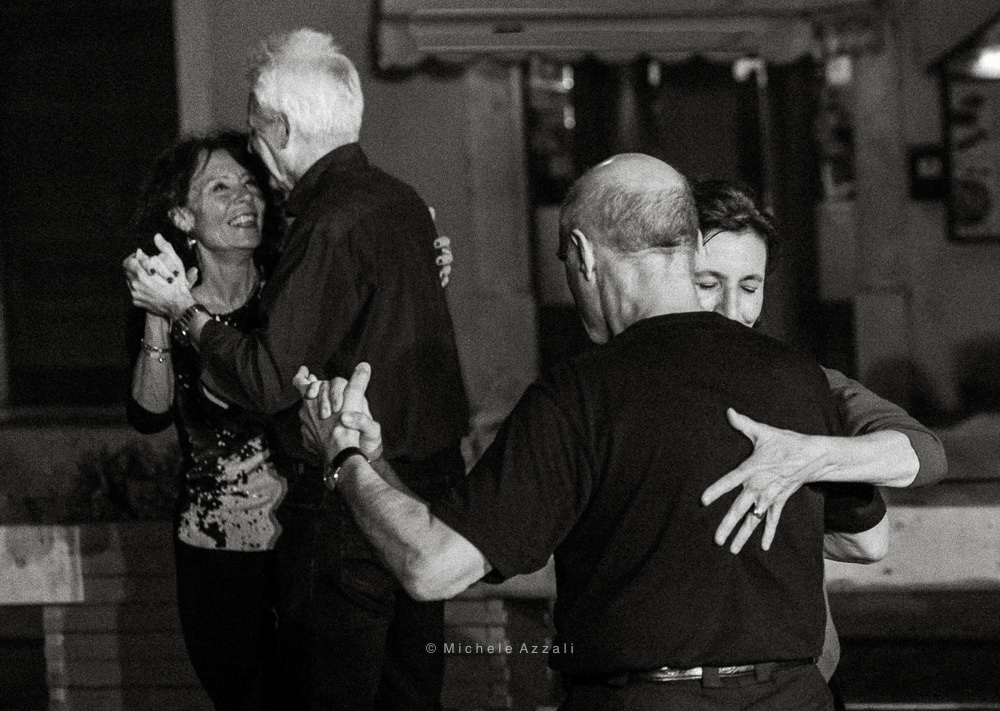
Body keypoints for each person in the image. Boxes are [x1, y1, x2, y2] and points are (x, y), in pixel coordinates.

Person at [295, 153, 879, 711]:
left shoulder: (579, 398)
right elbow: (866, 543)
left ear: (583, 254)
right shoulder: (798, 377)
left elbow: (431, 565)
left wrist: (345, 458)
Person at [123, 28, 468, 711]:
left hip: (351, 504)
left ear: (281, 128)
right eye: (221, 186)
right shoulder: (396, 201)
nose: (252, 174)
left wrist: (186, 312)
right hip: (403, 498)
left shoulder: (326, 226)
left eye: (256, 140)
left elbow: (266, 378)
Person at [690, 178, 948, 707]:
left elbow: (923, 453)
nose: (731, 309)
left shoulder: (804, 383)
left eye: (749, 286)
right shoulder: (627, 388)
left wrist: (807, 455)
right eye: (707, 283)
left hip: (802, 678)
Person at [124, 131, 285, 711]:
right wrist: (158, 314)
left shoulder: (289, 293)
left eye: (250, 184)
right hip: (215, 551)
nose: (244, 198)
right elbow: (149, 415)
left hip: (301, 542)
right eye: (221, 187)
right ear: (182, 217)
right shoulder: (165, 295)